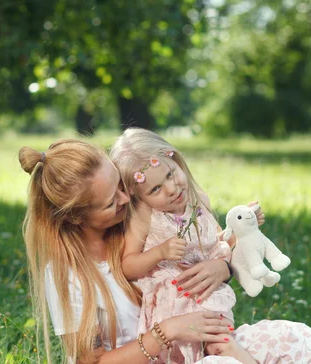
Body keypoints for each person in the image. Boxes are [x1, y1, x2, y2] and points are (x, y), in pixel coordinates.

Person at [19, 138, 311, 363]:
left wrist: (224, 268)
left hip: (198, 352)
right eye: (112, 201)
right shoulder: (69, 276)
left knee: (289, 336)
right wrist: (166, 332)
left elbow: (208, 247)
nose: (126, 200)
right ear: (77, 217)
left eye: (123, 188)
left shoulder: (142, 224)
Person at [109, 128, 257, 363]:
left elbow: (218, 245)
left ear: (176, 160)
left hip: (206, 296)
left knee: (223, 346)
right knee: (212, 349)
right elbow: (127, 266)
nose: (171, 189)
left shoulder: (200, 200)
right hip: (174, 307)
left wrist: (242, 230)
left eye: (170, 174)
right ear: (138, 197)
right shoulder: (144, 216)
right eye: (155, 189)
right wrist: (159, 253)